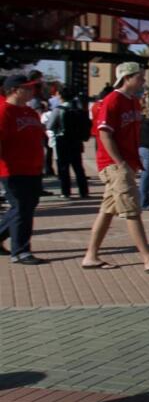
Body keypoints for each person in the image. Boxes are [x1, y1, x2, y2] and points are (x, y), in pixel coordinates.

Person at [82, 62, 149, 272]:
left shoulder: (133, 101)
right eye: (139, 77)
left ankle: (91, 255)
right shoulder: (113, 100)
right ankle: (147, 257)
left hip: (125, 163)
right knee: (132, 209)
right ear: (127, 77)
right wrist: (120, 163)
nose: (142, 80)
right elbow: (104, 133)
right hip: (115, 165)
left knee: (107, 211)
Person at [0, 74, 49, 264]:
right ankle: (20, 251)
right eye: (27, 88)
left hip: (33, 168)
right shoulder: (4, 111)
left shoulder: (29, 112)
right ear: (14, 90)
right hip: (12, 169)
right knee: (21, 208)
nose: (31, 91)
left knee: (25, 208)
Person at [48, 89, 90, 199]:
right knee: (78, 167)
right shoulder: (79, 109)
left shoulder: (58, 110)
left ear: (61, 96)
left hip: (62, 140)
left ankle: (65, 191)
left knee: (63, 167)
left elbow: (50, 126)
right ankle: (84, 191)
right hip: (76, 141)